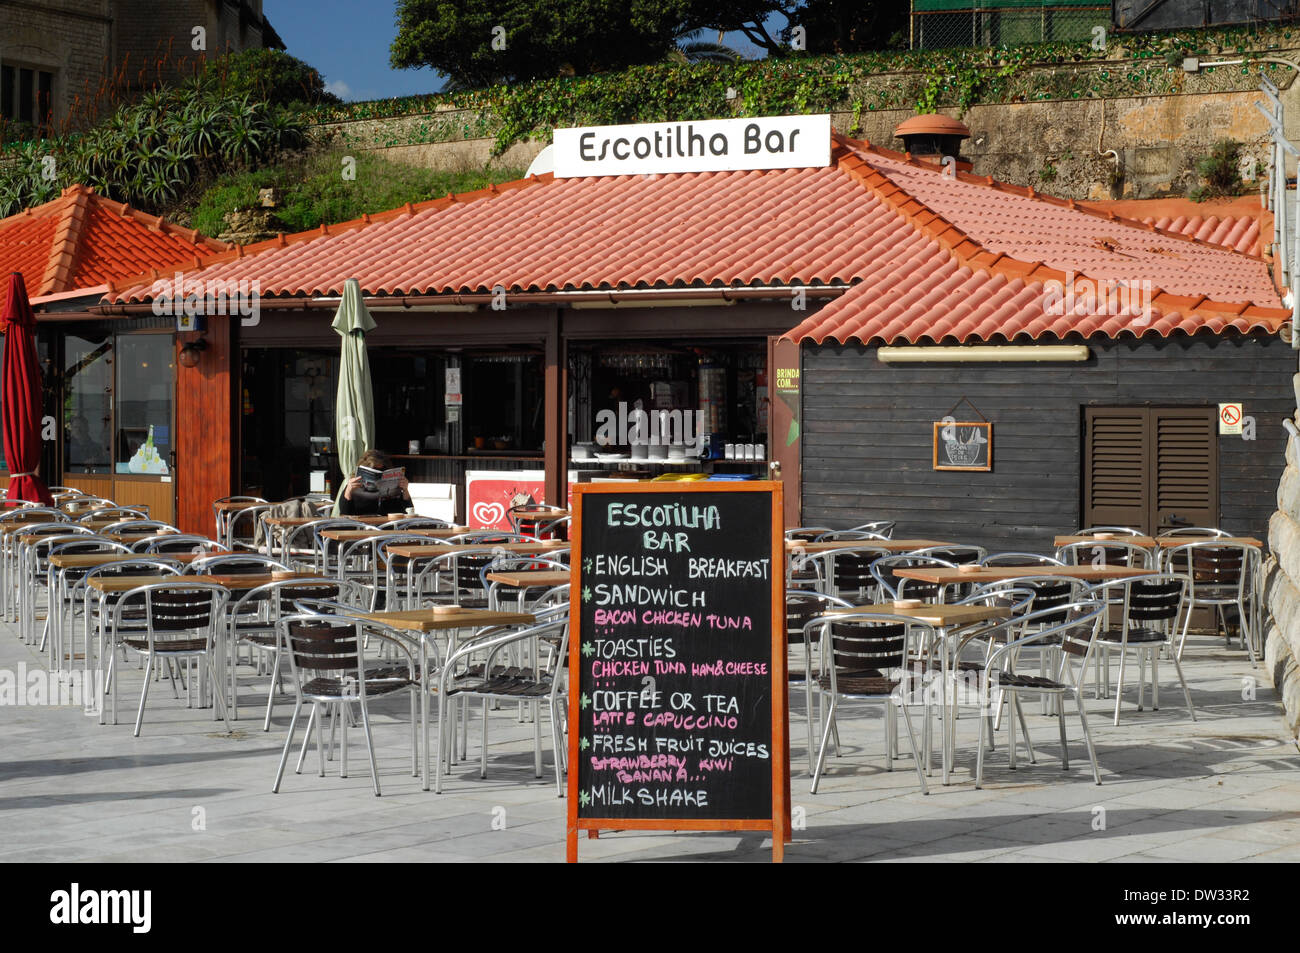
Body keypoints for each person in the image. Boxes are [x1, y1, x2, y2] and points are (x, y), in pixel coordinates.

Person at [340, 450, 412, 516]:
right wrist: (348, 491)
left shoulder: (394, 489)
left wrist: (405, 490)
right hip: (362, 526)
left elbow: (408, 510)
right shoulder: (353, 485)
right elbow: (344, 513)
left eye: (382, 470)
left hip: (389, 526)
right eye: (374, 469)